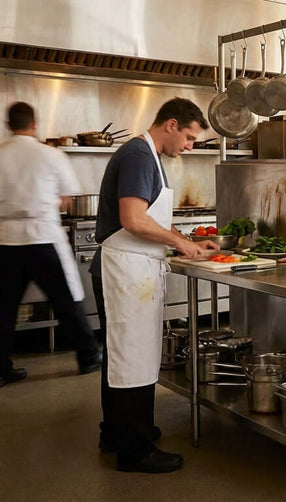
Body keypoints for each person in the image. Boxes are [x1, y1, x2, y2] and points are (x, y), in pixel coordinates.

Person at [89, 98, 216, 473]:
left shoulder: (146, 155)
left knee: (124, 355)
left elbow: (149, 217)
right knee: (133, 356)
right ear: (172, 124)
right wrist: (178, 242)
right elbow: (132, 219)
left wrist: (185, 238)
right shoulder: (139, 156)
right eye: (191, 138)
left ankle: (117, 433)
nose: (190, 146)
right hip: (124, 270)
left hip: (131, 268)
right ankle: (135, 450)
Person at [0, 102, 102, 387]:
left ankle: (0, 369)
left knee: (4, 308)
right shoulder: (50, 154)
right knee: (65, 300)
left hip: (5, 239)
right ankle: (88, 357)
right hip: (42, 237)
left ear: (9, 125)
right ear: (34, 125)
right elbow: (68, 198)